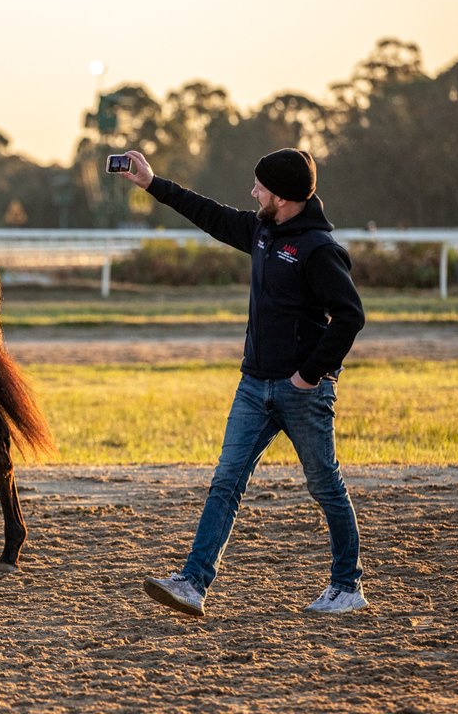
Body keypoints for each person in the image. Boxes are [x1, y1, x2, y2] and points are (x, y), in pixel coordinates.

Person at [121, 147, 367, 616]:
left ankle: (347, 586)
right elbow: (209, 214)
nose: (252, 192)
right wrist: (153, 183)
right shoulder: (261, 231)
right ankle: (193, 584)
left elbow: (350, 316)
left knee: (325, 486)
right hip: (254, 386)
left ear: (282, 196)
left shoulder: (318, 249)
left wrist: (308, 375)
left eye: (260, 186)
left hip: (302, 393)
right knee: (225, 482)